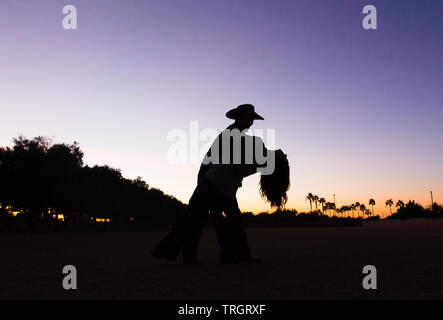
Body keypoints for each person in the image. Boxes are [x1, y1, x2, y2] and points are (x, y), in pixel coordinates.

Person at [151, 104, 288, 264]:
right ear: (240, 117)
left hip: (220, 181)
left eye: (252, 119)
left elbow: (249, 157)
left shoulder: (238, 135)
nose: (252, 122)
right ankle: (220, 254)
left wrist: (270, 155)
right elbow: (246, 155)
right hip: (212, 179)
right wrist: (272, 155)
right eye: (250, 118)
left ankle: (223, 254)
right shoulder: (233, 134)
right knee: (198, 218)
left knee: (208, 218)